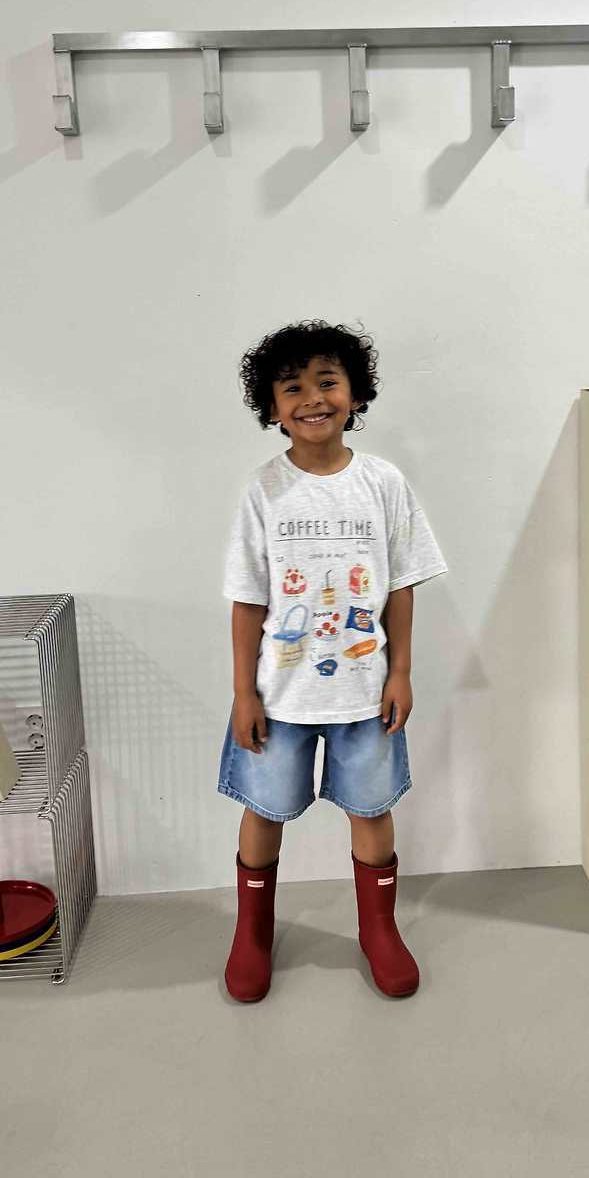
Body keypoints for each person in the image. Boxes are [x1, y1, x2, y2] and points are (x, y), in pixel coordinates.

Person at [218, 319, 447, 1001]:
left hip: (366, 692)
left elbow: (401, 585)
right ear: (271, 407)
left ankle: (379, 930)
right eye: (292, 387)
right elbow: (247, 600)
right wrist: (243, 693)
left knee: (371, 809)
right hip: (279, 696)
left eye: (327, 381)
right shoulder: (263, 489)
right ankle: (252, 934)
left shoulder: (383, 482)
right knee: (264, 810)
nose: (312, 398)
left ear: (355, 392)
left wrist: (401, 671)